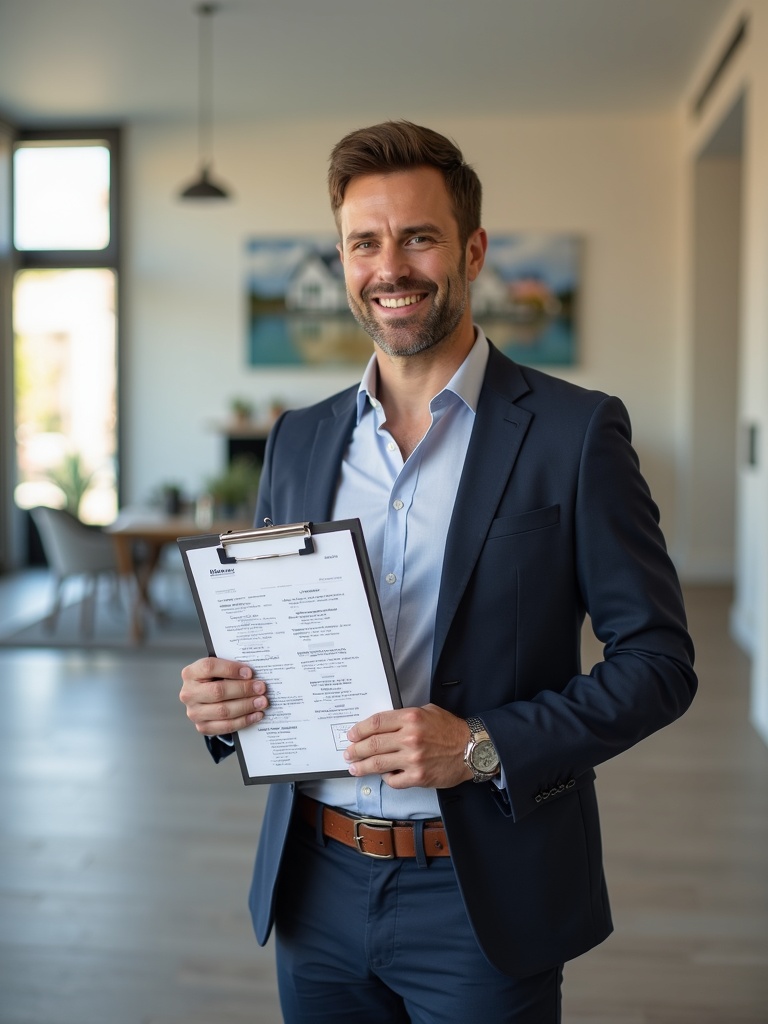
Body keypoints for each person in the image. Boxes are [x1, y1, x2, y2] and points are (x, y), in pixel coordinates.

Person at [179, 120, 696, 1023]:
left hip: (481, 893)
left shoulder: (576, 434)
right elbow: (278, 636)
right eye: (364, 242)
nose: (391, 267)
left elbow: (659, 663)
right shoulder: (298, 440)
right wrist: (226, 702)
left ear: (473, 250)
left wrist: (479, 747)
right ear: (342, 259)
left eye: (418, 237)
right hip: (314, 884)